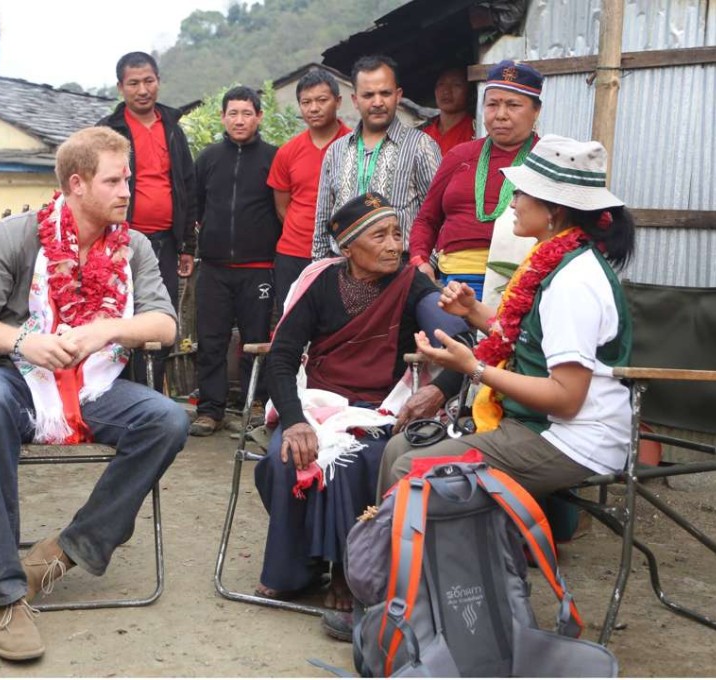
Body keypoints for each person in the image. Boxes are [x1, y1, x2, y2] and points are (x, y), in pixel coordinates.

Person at [0, 127, 187, 662]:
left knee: (168, 420)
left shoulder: (135, 245)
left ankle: (66, 550)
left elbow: (164, 324)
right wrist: (22, 341)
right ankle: (7, 595)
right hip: (18, 378)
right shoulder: (17, 236)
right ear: (77, 185)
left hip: (101, 382)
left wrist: (106, 330)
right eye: (114, 180)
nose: (127, 190)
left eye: (128, 178)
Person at [256, 192, 471, 641]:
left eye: (398, 233)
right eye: (381, 236)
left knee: (362, 462)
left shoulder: (413, 284)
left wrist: (438, 389)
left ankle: (350, 574)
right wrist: (295, 419)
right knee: (283, 456)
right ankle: (300, 568)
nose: (395, 245)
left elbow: (462, 345)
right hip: (317, 405)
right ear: (348, 248)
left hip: (380, 409)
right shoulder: (320, 285)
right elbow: (281, 357)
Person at [377, 134, 635, 507]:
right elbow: (528, 335)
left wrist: (475, 367)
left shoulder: (574, 282)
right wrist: (473, 311)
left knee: (412, 468)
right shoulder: (554, 259)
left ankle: (432, 563)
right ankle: (391, 558)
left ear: (554, 211)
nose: (512, 202)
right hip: (534, 423)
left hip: (571, 438)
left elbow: (565, 399)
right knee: (399, 446)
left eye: (521, 193)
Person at [98, 51, 197, 389]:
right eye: (134, 83)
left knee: (161, 317)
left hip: (166, 242)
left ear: (159, 81)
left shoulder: (172, 126)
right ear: (120, 87)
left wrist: (187, 244)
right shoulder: (108, 132)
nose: (143, 89)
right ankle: (118, 391)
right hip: (120, 242)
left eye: (149, 81)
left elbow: (187, 184)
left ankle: (153, 394)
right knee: (119, 315)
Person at [409, 60, 544, 301]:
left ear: (536, 111)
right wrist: (420, 261)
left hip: (523, 283)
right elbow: (426, 219)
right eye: (492, 105)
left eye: (513, 105)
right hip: (452, 284)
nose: (500, 115)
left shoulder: (547, 159)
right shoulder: (459, 156)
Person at [190, 86, 282, 437]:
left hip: (258, 267)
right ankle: (210, 410)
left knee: (256, 340)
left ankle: (255, 406)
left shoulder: (274, 158)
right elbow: (196, 204)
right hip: (213, 267)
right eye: (233, 113)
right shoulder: (209, 158)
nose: (239, 120)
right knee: (210, 340)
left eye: (247, 113)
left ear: (259, 117)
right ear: (222, 117)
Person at [312, 54, 441, 259]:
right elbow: (322, 220)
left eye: (385, 93)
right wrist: (319, 268)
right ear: (355, 99)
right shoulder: (336, 151)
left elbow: (438, 215)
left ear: (398, 95)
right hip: (343, 270)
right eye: (368, 95)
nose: (378, 102)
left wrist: (427, 265)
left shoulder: (421, 146)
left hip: (401, 270)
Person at [267, 70, 352, 309]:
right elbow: (282, 207)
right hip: (293, 253)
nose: (314, 108)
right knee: (292, 322)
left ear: (338, 101)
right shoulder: (287, 152)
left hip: (342, 255)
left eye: (321, 100)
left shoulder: (356, 146)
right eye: (306, 102)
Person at [420, 66, 476, 154]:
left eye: (456, 84)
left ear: (469, 91)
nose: (446, 91)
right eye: (441, 84)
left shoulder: (475, 132)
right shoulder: (423, 135)